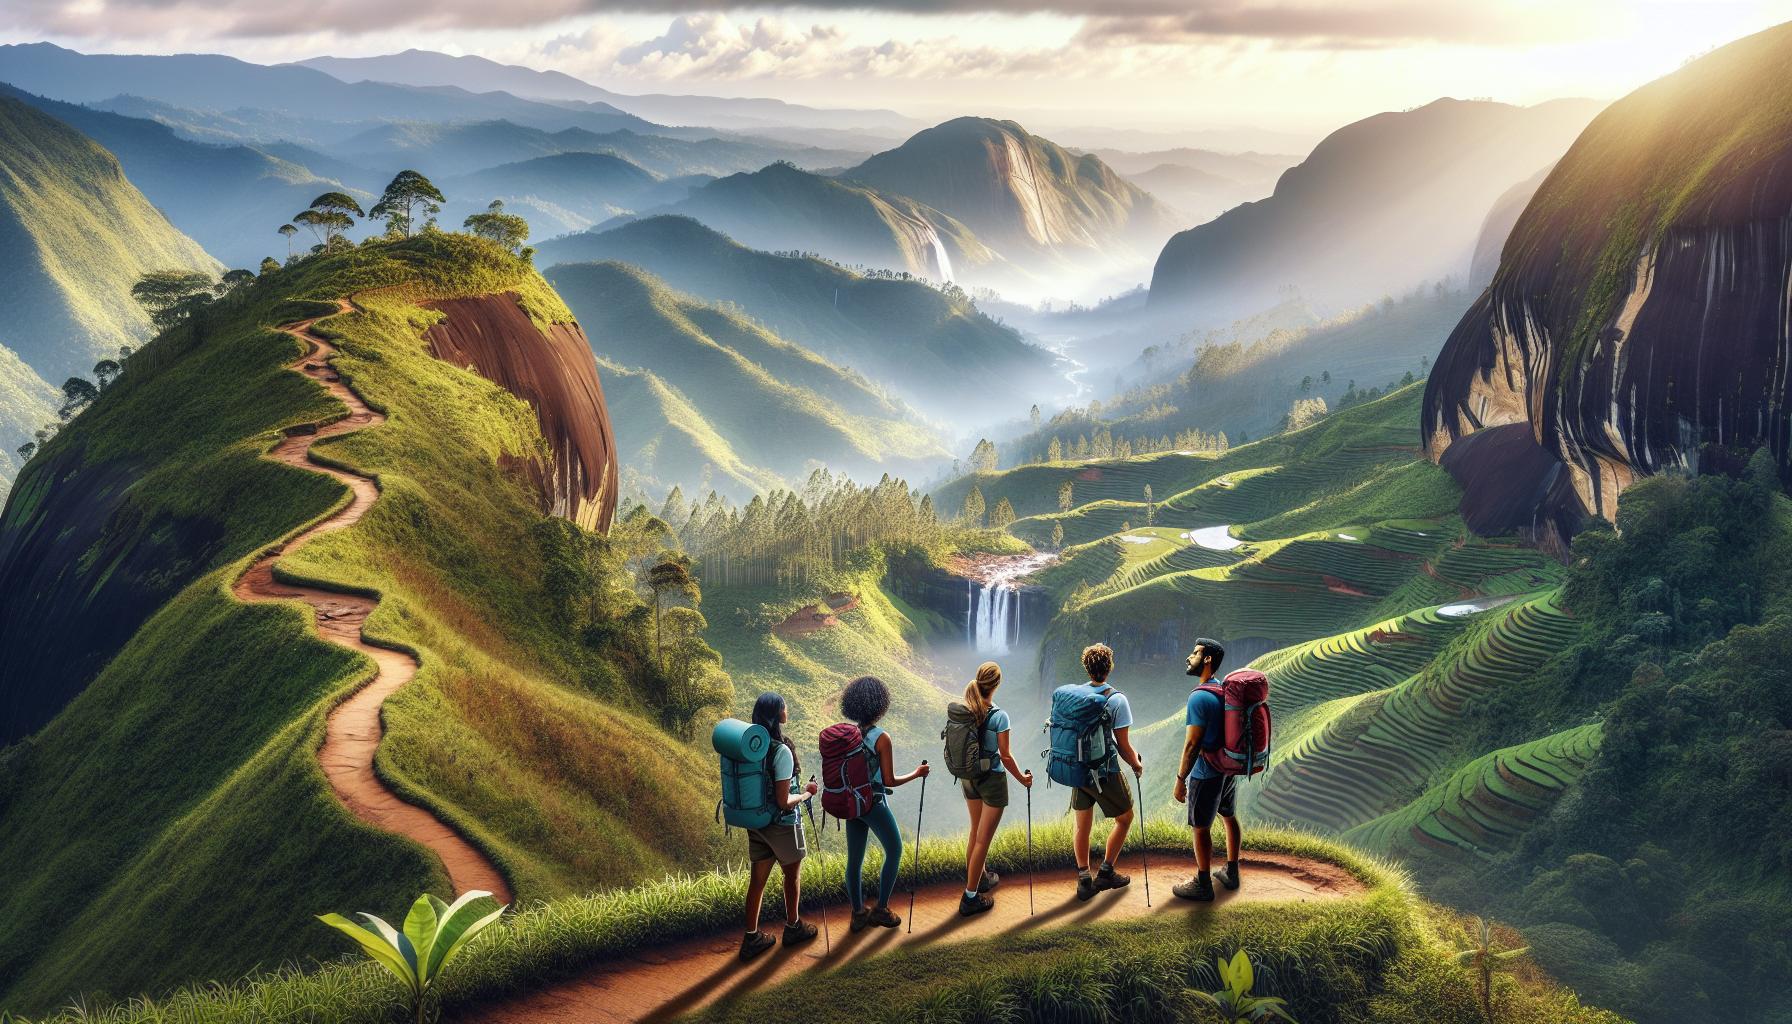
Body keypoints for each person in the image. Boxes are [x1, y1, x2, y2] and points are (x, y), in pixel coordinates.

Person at [840, 675, 930, 930]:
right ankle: (881, 909)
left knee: (854, 860)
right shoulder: (881, 738)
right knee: (895, 850)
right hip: (873, 802)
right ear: (880, 704)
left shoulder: (848, 734)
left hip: (851, 803)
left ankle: (858, 913)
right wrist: (917, 773)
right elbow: (888, 780)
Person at [739, 692, 820, 960]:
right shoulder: (781, 750)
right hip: (782, 824)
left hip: (758, 822)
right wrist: (807, 793)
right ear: (777, 714)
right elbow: (785, 801)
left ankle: (752, 937)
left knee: (757, 882)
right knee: (792, 875)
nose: (787, 709)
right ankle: (793, 927)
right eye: (784, 706)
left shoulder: (753, 746)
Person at [956, 661, 1033, 916]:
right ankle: (970, 897)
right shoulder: (1000, 716)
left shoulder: (967, 709)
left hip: (969, 778)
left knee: (974, 833)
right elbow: (1006, 756)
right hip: (992, 781)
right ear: (997, 685)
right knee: (983, 840)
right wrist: (1023, 779)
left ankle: (982, 879)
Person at [1069, 643, 1143, 902]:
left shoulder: (1075, 695)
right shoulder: (1117, 699)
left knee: (1082, 826)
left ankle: (1083, 880)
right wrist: (1136, 764)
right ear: (1109, 667)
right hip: (1105, 771)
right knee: (1125, 818)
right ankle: (1106, 872)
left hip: (1078, 770)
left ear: (1086, 667)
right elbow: (1123, 745)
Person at [1173, 638, 1242, 902]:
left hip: (1206, 771)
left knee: (1201, 827)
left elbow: (1192, 745)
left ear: (1208, 659)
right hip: (1227, 767)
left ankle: (1203, 883)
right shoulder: (1223, 690)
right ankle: (1231, 872)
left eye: (1195, 653)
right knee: (1229, 816)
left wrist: (1181, 779)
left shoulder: (1200, 697)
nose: (1189, 657)